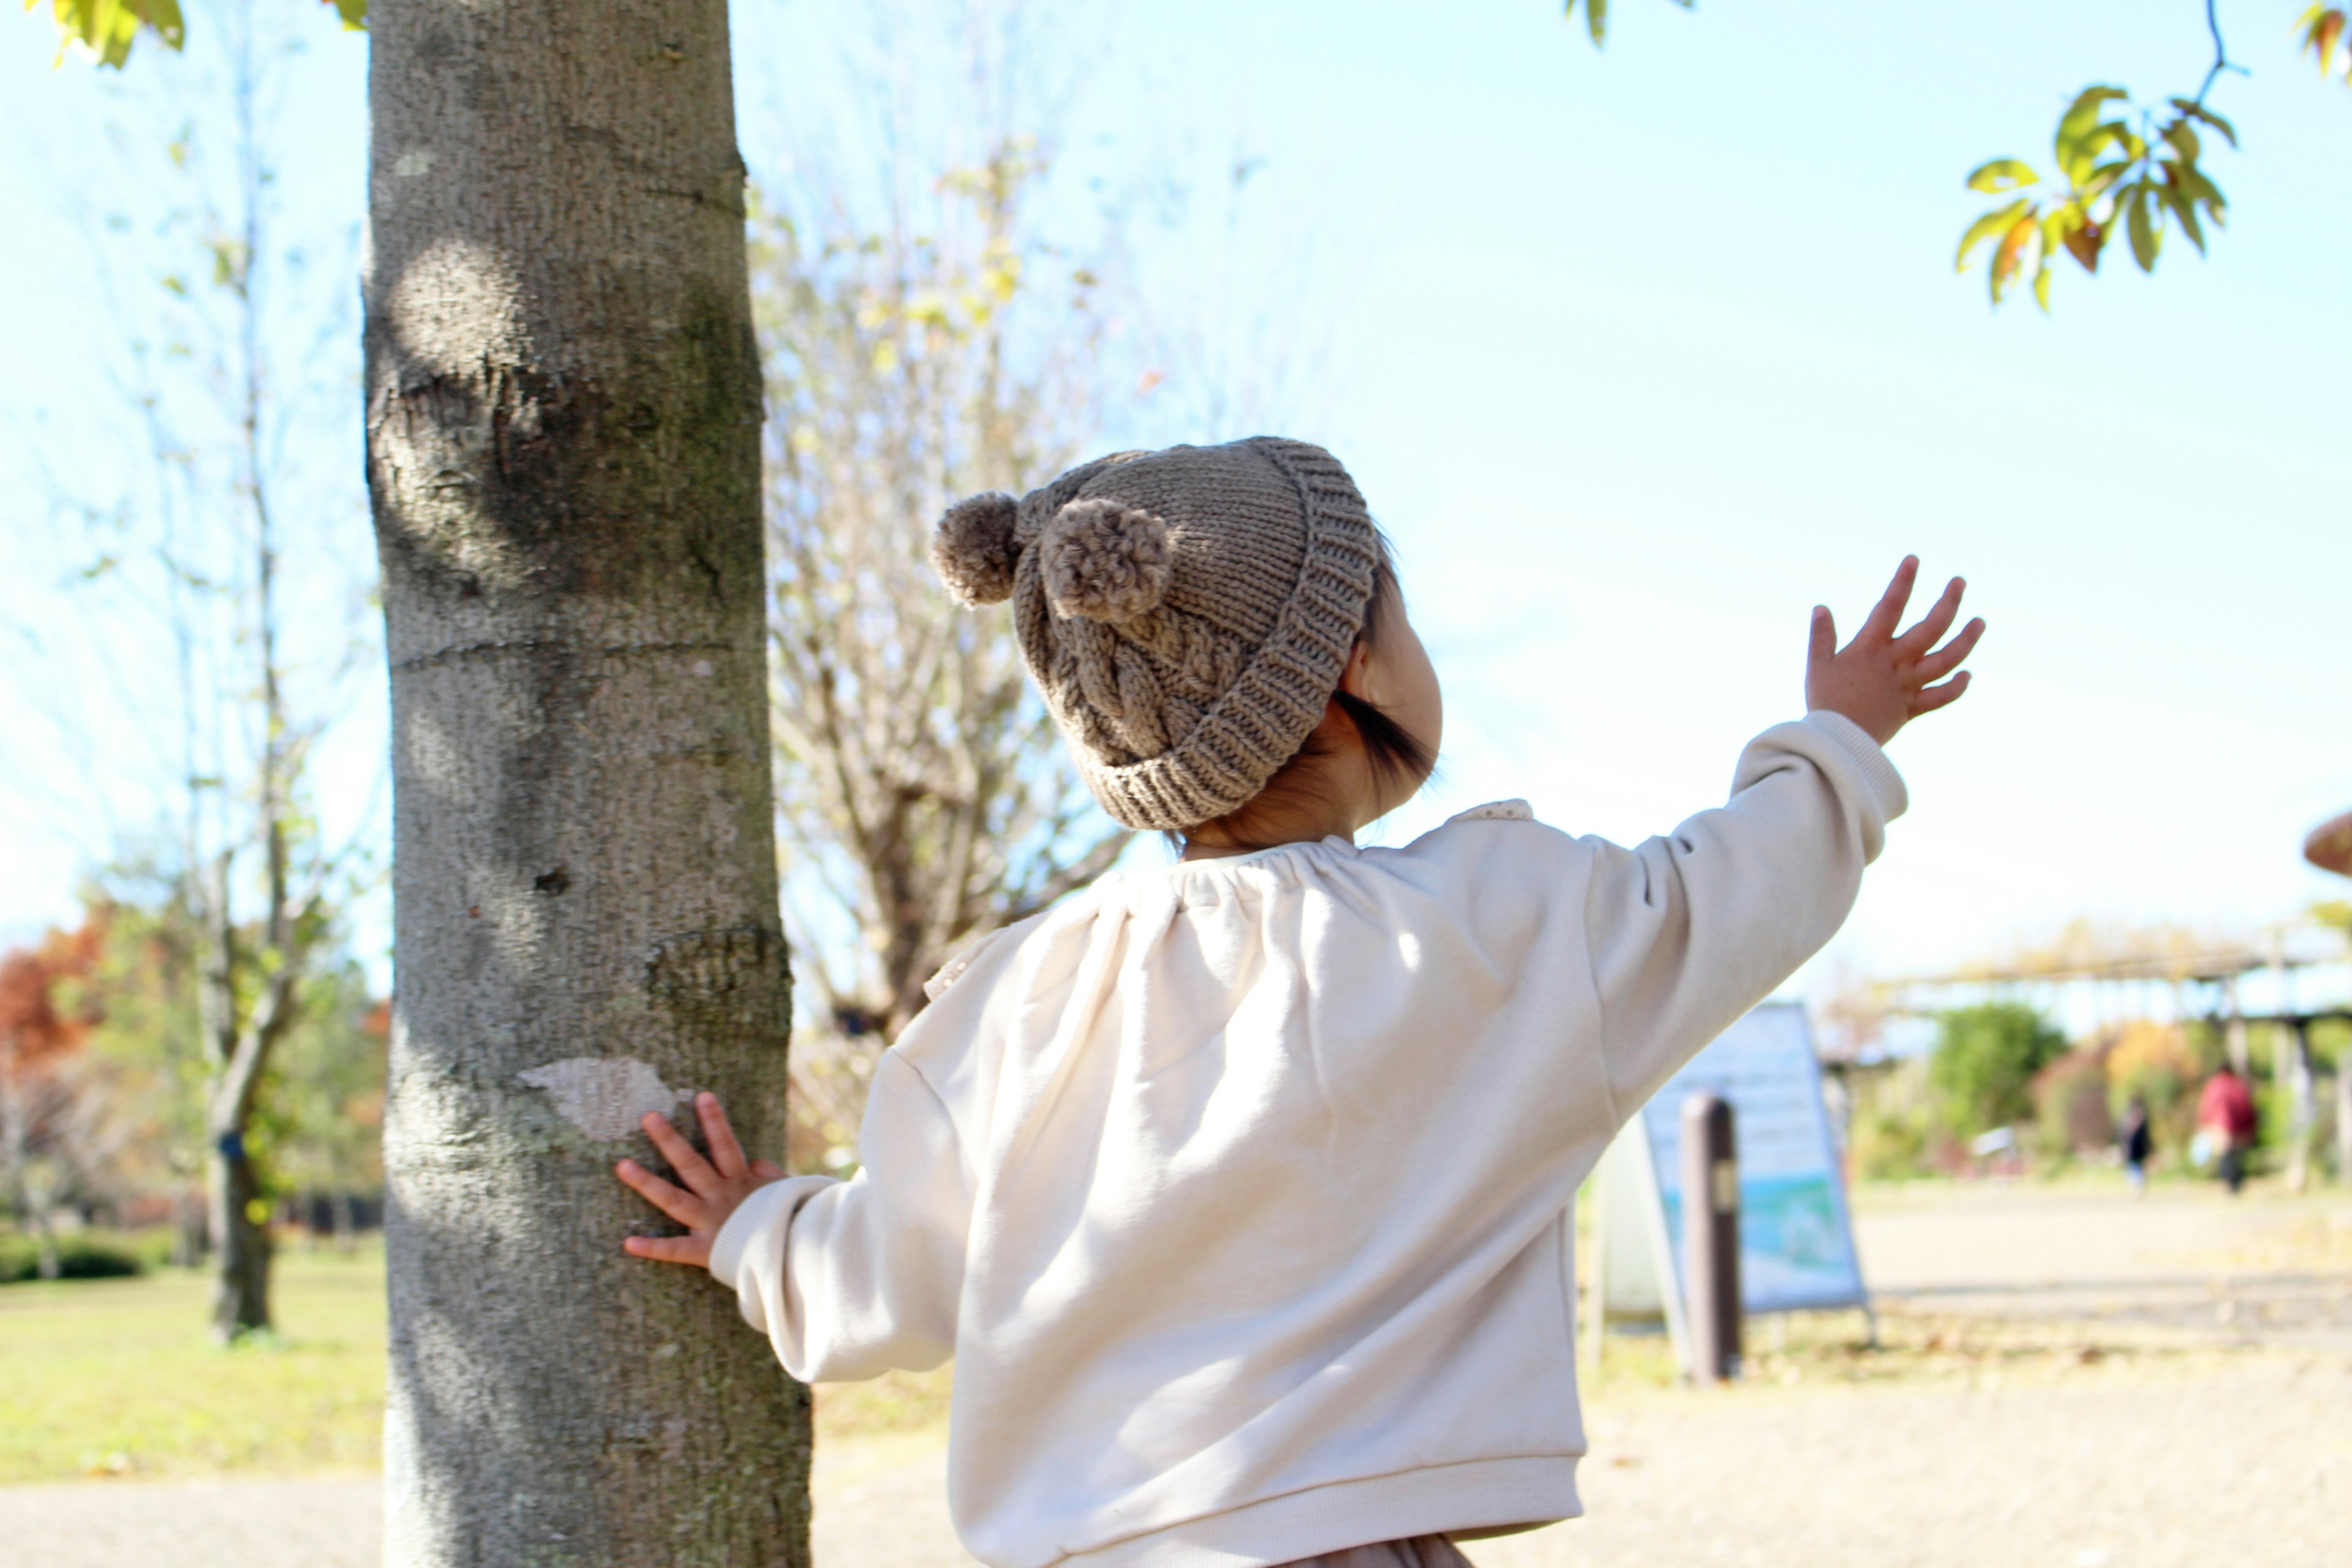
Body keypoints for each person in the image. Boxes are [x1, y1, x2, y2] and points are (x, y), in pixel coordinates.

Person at [611, 439, 1983, 1568]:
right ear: (1347, 681)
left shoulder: (1008, 1003)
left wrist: (756, 1228)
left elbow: (884, 1285)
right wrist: (1837, 742)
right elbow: (1735, 894)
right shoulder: (1497, 927)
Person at [2197, 1063, 2258, 1196]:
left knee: (2225, 1156)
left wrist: (2205, 1123)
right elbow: (2246, 1106)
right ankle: (2235, 1183)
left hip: (2219, 1126)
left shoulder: (2214, 1085)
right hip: (2237, 1127)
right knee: (2235, 1157)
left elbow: (2207, 1106)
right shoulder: (2238, 1085)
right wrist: (2249, 1127)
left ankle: (2229, 1183)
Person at [2117, 1095, 2154, 1196]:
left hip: (2131, 1147)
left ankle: (2137, 1185)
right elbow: (2146, 1134)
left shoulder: (2127, 1115)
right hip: (2138, 1147)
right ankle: (2138, 1184)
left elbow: (2122, 1133)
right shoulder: (2141, 1115)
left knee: (2133, 1166)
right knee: (2137, 1166)